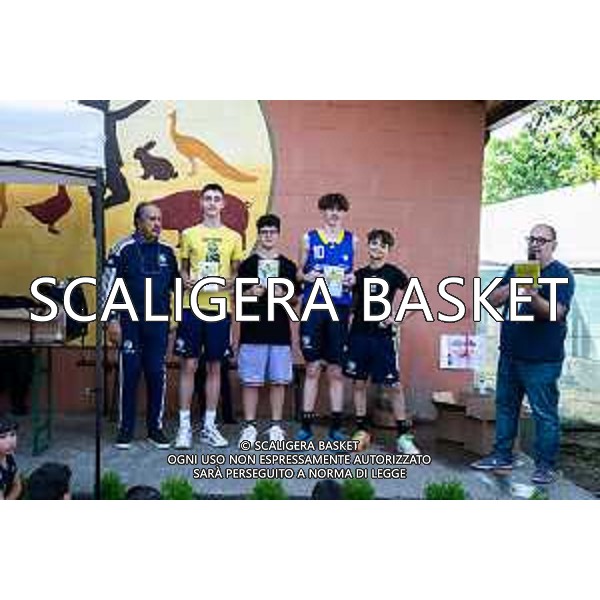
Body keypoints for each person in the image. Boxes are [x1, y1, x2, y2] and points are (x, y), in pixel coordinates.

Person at [471, 224, 575, 485]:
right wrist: (514, 286)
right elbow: (489, 300)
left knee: (544, 414)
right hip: (510, 354)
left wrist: (532, 296)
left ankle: (545, 467)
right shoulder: (516, 269)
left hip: (542, 360)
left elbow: (556, 313)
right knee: (505, 407)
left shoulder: (561, 274)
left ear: (553, 245)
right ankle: (501, 456)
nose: (535, 244)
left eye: (542, 240)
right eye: (532, 239)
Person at [102, 202, 179, 450]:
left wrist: (175, 318)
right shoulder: (122, 249)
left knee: (156, 374)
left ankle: (155, 429)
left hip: (158, 324)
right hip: (129, 323)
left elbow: (176, 286)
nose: (157, 224)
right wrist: (111, 319)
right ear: (138, 221)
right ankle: (125, 429)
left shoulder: (168, 251)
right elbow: (108, 285)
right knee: (130, 373)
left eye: (159, 219)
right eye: (151, 219)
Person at [174, 183, 243, 449]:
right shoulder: (189, 234)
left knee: (215, 366)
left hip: (219, 308)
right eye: (208, 198)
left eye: (216, 199)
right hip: (192, 306)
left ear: (223, 204)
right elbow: (182, 269)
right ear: (201, 203)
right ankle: (184, 427)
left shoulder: (234, 237)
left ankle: (209, 426)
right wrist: (186, 280)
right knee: (189, 365)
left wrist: (228, 283)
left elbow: (235, 273)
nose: (212, 203)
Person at [343, 229, 420, 454]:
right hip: (358, 335)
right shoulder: (358, 275)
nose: (377, 248)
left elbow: (415, 298)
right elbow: (349, 305)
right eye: (374, 243)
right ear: (368, 246)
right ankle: (361, 432)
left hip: (382, 337)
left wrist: (397, 318)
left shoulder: (394, 273)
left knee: (394, 386)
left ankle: (403, 437)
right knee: (359, 383)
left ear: (388, 250)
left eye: (382, 245)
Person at [296, 193, 356, 443]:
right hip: (314, 307)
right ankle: (305, 427)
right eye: (329, 209)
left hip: (339, 308)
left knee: (335, 370)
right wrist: (306, 276)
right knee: (312, 368)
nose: (334, 213)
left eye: (338, 209)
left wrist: (352, 279)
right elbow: (299, 273)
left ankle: (336, 428)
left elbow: (352, 275)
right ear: (322, 211)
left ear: (344, 213)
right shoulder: (308, 238)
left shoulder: (352, 240)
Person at [236, 214, 300, 445]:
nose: (268, 236)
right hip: (252, 330)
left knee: (279, 381)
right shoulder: (248, 265)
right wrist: (249, 292)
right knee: (250, 381)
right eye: (264, 232)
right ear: (259, 234)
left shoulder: (288, 266)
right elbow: (237, 298)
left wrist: (285, 295)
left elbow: (295, 300)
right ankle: (250, 426)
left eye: (272, 232)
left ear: (278, 234)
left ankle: (275, 426)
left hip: (279, 331)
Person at [0, 416, 22, 500]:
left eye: (12, 434)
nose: (10, 441)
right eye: (2, 437)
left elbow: (17, 486)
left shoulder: (9, 456)